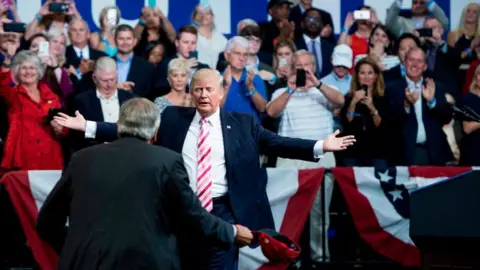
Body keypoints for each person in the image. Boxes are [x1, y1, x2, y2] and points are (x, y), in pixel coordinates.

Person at [53, 68, 355, 270]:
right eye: (197, 90)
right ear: (191, 92)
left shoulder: (243, 124)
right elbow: (133, 128)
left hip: (222, 212)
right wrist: (88, 126)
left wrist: (320, 146)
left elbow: (276, 142)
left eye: (209, 89)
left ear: (221, 92)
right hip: (177, 209)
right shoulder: (172, 118)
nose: (203, 95)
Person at [37, 98, 253, 270]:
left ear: (120, 125)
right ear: (156, 131)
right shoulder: (167, 161)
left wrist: (77, 246)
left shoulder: (81, 159)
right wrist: (231, 232)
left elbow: (46, 222)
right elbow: (193, 216)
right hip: (146, 262)